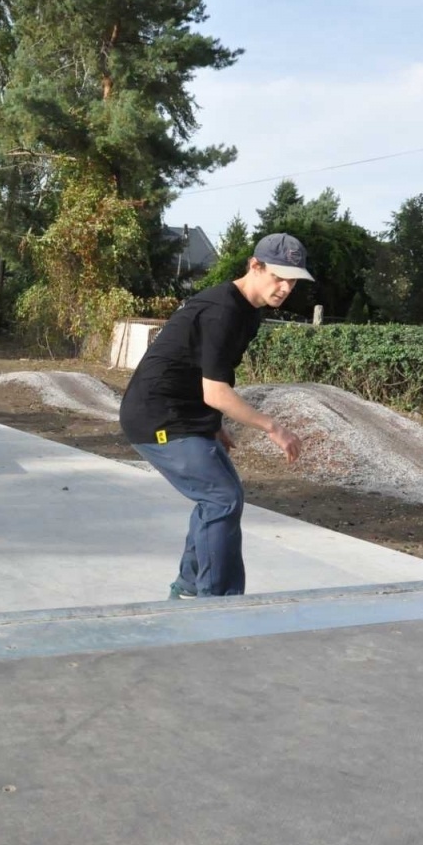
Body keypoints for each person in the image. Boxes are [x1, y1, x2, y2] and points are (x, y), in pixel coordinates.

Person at [118, 233, 311, 599]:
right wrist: (275, 428)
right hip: (157, 416)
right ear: (255, 266)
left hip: (185, 412)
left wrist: (214, 424)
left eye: (293, 281)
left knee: (223, 496)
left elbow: (202, 370)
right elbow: (216, 392)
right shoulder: (223, 309)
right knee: (220, 498)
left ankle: (191, 587)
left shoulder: (247, 312)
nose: (285, 288)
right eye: (279, 277)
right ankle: (217, 604)